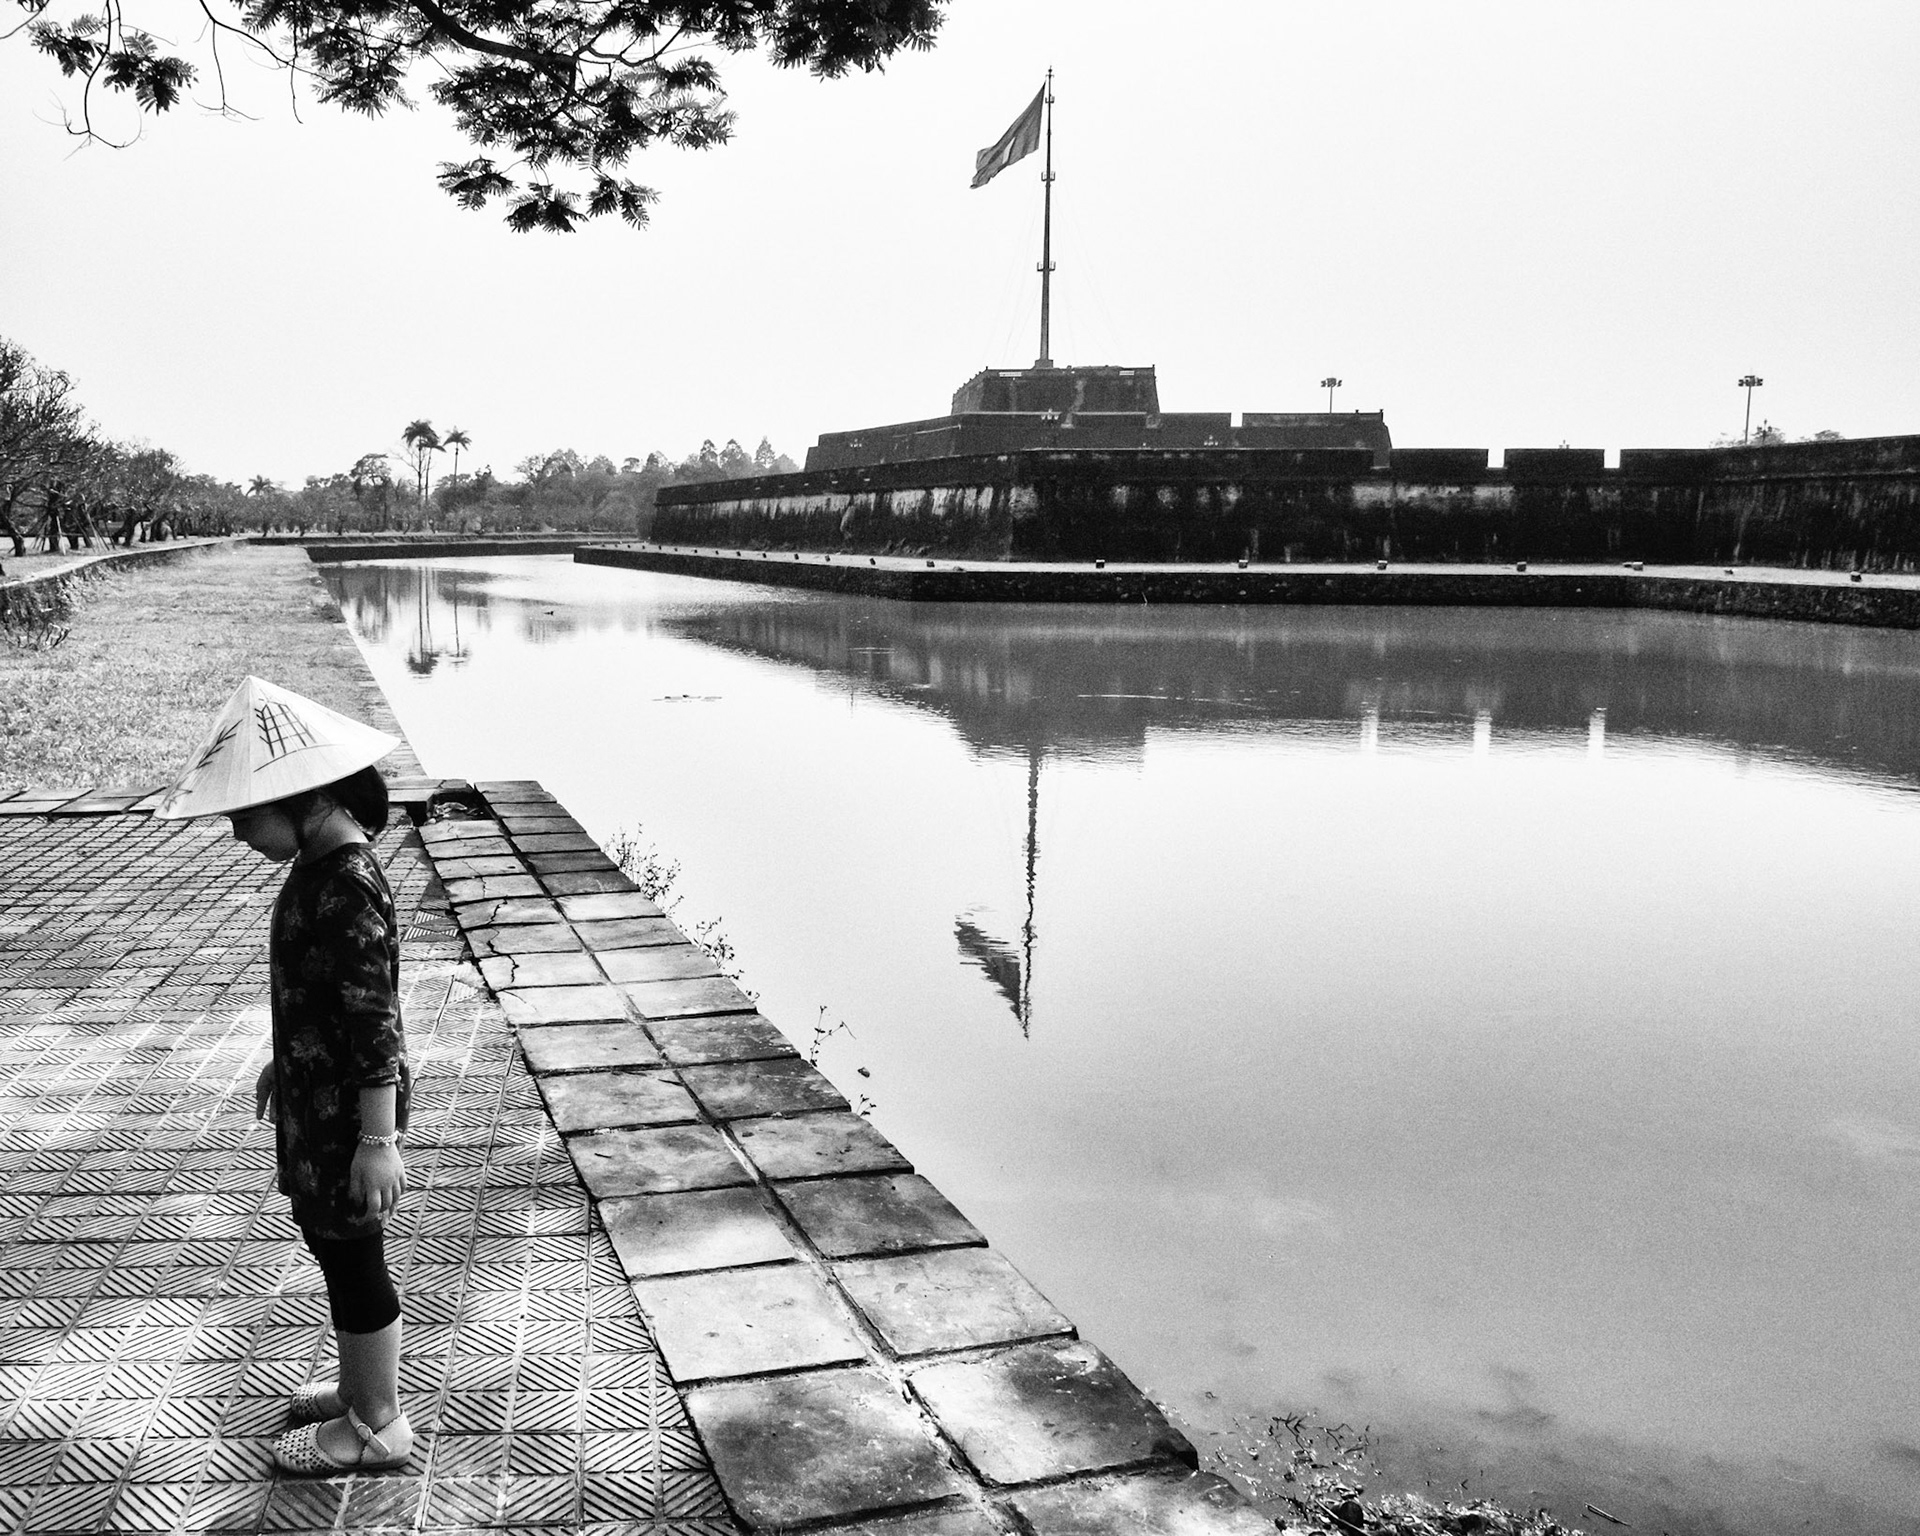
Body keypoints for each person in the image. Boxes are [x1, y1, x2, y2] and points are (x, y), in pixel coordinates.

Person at [156, 676, 413, 1474]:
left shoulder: (343, 886)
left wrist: (378, 1140)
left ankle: (377, 1423)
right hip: (320, 1092)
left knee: (351, 1251)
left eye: (243, 816)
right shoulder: (316, 866)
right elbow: (329, 1000)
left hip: (349, 1113)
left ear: (304, 796)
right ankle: (357, 1386)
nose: (237, 832)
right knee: (330, 1240)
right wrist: (288, 1054)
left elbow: (377, 1025)